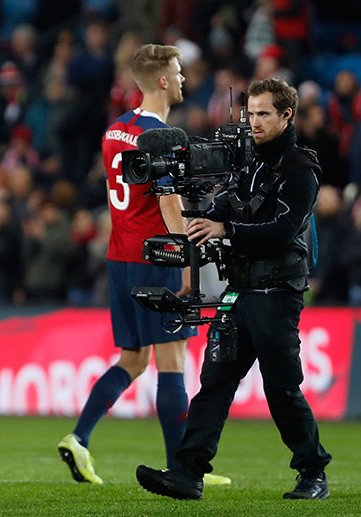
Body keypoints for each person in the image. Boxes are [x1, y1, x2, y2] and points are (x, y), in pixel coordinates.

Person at [136, 76, 332, 500]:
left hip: (276, 291)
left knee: (281, 387)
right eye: (251, 113)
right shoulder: (245, 163)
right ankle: (188, 473)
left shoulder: (301, 169)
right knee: (215, 382)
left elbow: (281, 231)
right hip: (238, 289)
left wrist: (225, 227)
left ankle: (313, 472)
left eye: (264, 114)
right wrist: (202, 211)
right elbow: (226, 203)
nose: (255, 122)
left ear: (287, 115)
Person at [56, 44, 230, 486]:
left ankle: (79, 437)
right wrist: (189, 263)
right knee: (172, 361)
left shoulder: (115, 130)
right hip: (157, 256)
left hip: (120, 255)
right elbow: (169, 203)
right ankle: (183, 469)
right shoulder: (162, 137)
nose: (185, 78)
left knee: (132, 359)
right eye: (178, 71)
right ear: (163, 81)